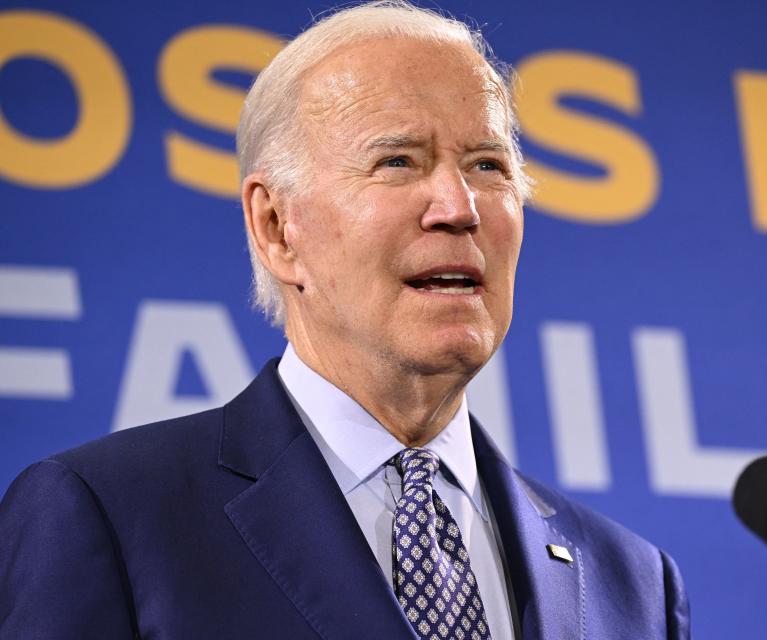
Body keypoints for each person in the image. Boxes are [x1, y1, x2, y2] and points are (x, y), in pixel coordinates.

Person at [0, 2, 690, 638]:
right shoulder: (111, 517)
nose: (459, 206)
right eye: (397, 161)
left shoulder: (631, 586)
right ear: (277, 228)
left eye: (487, 164)